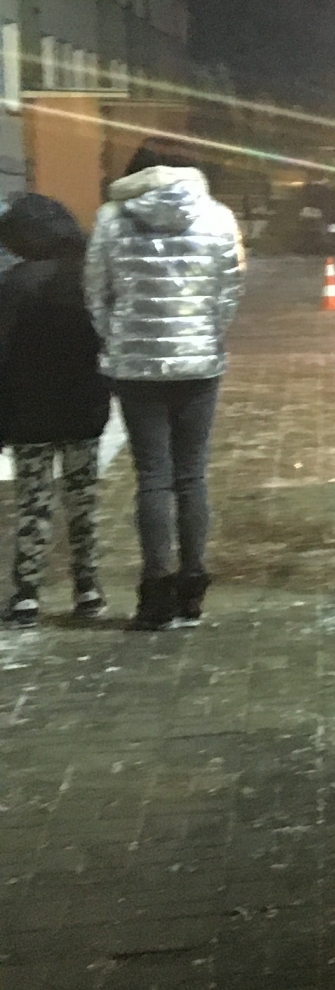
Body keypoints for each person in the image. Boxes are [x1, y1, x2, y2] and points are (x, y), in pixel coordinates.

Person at [86, 144, 246, 631]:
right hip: (199, 365)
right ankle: (193, 584)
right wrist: (205, 337)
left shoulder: (111, 219)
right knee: (191, 475)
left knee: (152, 477)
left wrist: (118, 337)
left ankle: (155, 590)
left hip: (136, 369)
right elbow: (229, 290)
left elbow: (95, 290)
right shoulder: (217, 216)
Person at [0, 194, 114, 624]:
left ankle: (27, 594)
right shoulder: (88, 279)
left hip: (27, 413)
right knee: (82, 499)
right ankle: (88, 588)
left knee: (33, 502)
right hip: (84, 405)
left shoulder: (13, 284)